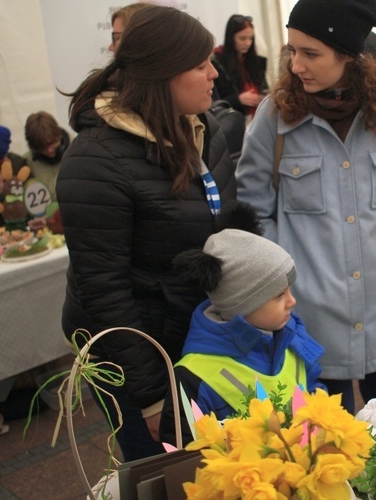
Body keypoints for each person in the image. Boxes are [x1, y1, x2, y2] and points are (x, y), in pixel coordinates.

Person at [236, 0, 376, 414]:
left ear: (349, 56)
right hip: (307, 318)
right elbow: (255, 212)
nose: (297, 65)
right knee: (323, 446)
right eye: (293, 50)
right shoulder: (275, 117)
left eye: (311, 53)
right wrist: (273, 293)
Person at [56, 5, 236, 461]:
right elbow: (105, 293)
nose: (214, 73)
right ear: (163, 74)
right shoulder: (95, 161)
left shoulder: (202, 128)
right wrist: (151, 397)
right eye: (200, 65)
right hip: (136, 353)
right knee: (166, 470)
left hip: (193, 334)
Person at [160, 203, 326, 444]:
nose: (292, 301)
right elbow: (183, 451)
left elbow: (312, 386)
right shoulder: (194, 375)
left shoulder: (290, 335)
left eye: (289, 290)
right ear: (242, 304)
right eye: (279, 295)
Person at [212, 14, 269, 118]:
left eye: (251, 39)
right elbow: (214, 102)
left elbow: (264, 88)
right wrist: (238, 100)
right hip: (235, 120)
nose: (248, 43)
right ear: (231, 38)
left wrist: (265, 97)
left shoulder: (258, 62)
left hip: (259, 116)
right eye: (242, 39)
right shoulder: (217, 63)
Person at [23, 111, 70, 201]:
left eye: (52, 143)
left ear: (59, 135)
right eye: (42, 148)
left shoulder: (78, 150)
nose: (49, 150)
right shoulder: (27, 163)